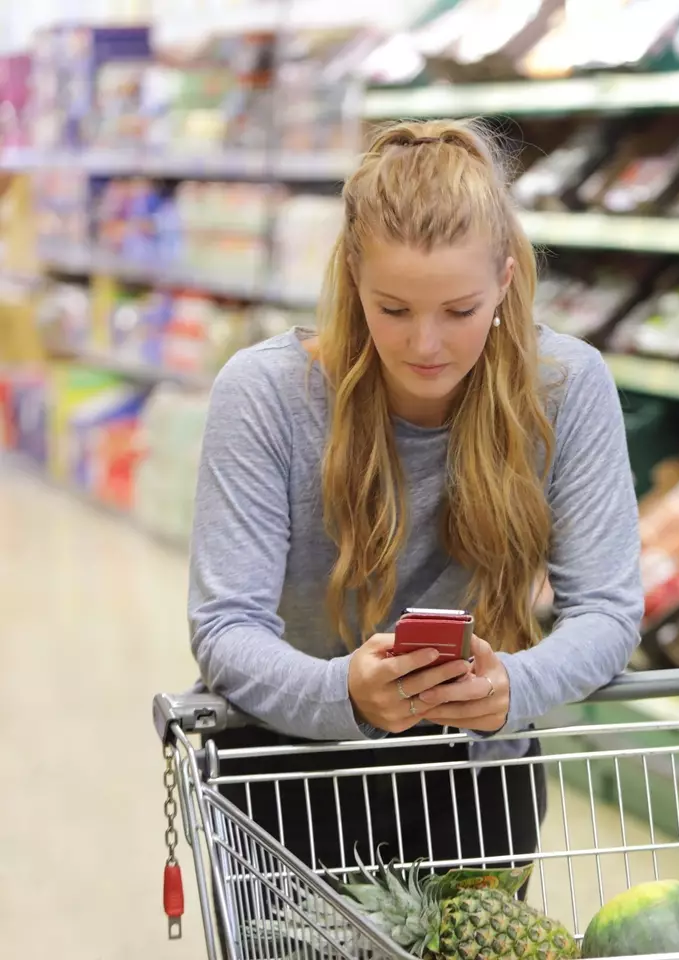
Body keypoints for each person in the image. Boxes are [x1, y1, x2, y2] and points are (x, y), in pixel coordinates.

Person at [185, 119, 644, 883]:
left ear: (504, 280)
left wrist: (515, 686)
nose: (425, 344)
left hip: (477, 777)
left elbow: (607, 607)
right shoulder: (265, 395)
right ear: (351, 280)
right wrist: (344, 693)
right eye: (392, 309)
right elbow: (226, 624)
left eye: (459, 311)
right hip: (286, 775)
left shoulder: (566, 386)